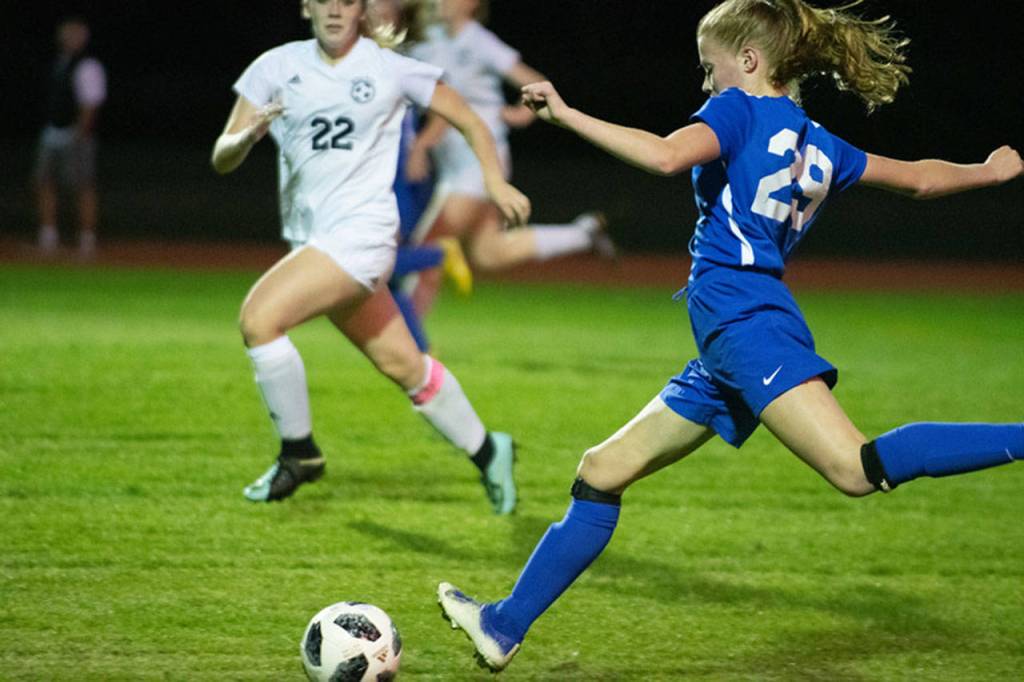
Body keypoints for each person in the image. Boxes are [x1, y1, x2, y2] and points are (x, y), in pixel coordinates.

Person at [436, 0, 1024, 670]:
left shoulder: (738, 108)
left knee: (856, 469)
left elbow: (662, 157)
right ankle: (504, 624)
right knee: (601, 472)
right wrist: (988, 171)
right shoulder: (818, 141)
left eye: (708, 68)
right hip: (731, 339)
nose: (705, 85)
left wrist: (565, 114)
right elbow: (918, 178)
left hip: (746, 326)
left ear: (748, 62)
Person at [211, 0, 531, 514]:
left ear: (361, 10)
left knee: (259, 319)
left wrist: (494, 182)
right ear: (306, 7)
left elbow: (471, 120)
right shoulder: (274, 67)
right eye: (326, 0)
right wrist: (243, 139)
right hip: (316, 244)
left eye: (348, 1)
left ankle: (300, 453)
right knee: (406, 366)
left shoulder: (391, 68)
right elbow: (221, 157)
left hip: (363, 238)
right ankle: (489, 450)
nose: (336, 10)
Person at [405, 0, 615, 319]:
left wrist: (521, 111)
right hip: (453, 163)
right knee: (489, 253)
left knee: (428, 247)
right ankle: (582, 234)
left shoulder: (477, 40)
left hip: (479, 162)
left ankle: (410, 340)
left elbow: (531, 79)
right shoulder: (429, 37)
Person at [372, 0, 473, 352]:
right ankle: (421, 356)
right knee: (392, 280)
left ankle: (439, 254)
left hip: (398, 176)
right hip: (375, 174)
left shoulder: (409, 55)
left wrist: (420, 149)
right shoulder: (361, 54)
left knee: (380, 264)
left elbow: (451, 107)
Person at [33, 16, 107, 259]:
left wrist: (80, 133)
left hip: (75, 134)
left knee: (83, 185)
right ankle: (48, 235)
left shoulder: (88, 65)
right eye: (66, 33)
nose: (69, 39)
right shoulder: (57, 63)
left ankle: (86, 239)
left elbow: (91, 103)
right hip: (52, 132)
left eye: (75, 34)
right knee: (44, 182)